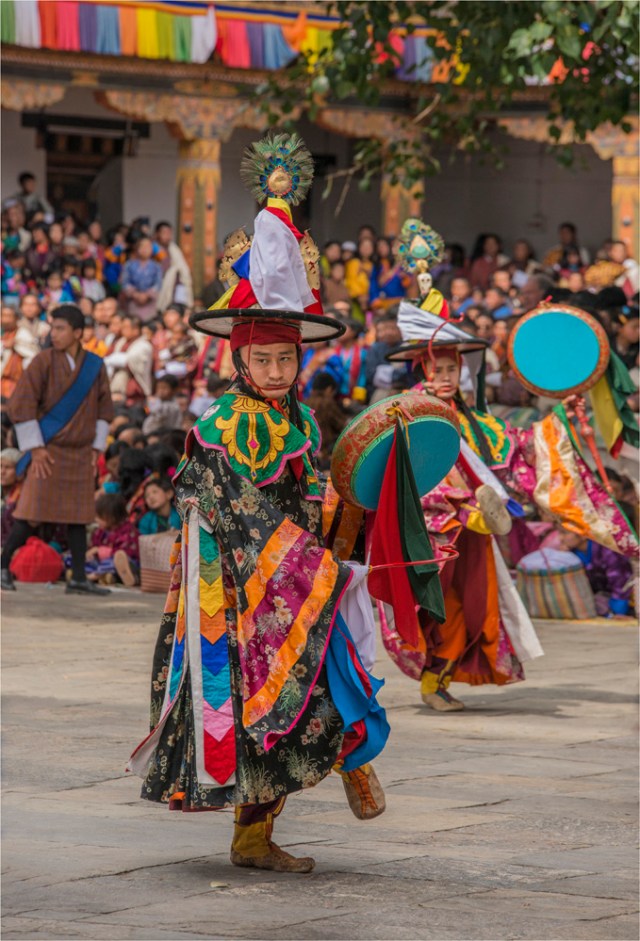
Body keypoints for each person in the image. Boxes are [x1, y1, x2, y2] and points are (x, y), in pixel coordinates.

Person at [129, 132, 389, 874]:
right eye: (262, 359)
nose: (275, 370)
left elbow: (315, 493)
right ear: (238, 358)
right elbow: (237, 512)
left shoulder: (301, 420)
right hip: (240, 594)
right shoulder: (221, 425)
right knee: (259, 712)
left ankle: (286, 810)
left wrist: (342, 531)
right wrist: (308, 564)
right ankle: (259, 829)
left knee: (326, 686)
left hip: (298, 582)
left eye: (285, 358)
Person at [1, 304, 114, 594]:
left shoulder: (95, 365)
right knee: (31, 513)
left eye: (61, 328)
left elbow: (104, 410)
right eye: (53, 327)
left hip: (80, 452)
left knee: (79, 516)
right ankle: (2, 566)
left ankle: (77, 577)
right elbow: (21, 405)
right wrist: (35, 448)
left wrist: (95, 449)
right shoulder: (42, 361)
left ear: (78, 333)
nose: (54, 333)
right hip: (47, 450)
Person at [85, 492, 140, 587]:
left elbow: (126, 553)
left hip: (122, 562)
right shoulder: (99, 531)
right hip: (100, 562)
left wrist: (102, 551)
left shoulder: (128, 531)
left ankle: (96, 575)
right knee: (77, 558)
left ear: (112, 517)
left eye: (100, 517)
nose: (96, 519)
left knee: (113, 562)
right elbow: (94, 547)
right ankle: (106, 577)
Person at [106, 315, 154, 405]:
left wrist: (120, 360)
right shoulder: (120, 342)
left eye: (126, 327)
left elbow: (134, 362)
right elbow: (107, 358)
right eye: (122, 326)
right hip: (116, 392)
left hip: (135, 396)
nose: (122, 329)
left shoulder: (144, 345)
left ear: (136, 330)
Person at [120, 236, 163, 323]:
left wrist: (147, 295)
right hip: (133, 301)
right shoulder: (129, 265)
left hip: (150, 302)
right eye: (142, 246)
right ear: (137, 249)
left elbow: (158, 283)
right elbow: (125, 282)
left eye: (148, 247)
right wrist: (135, 294)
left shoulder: (156, 266)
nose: (145, 249)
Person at [155, 221, 194, 313]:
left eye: (169, 233)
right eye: (164, 233)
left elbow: (183, 269)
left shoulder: (174, 249)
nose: (167, 236)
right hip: (159, 288)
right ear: (157, 234)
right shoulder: (152, 249)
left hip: (176, 287)